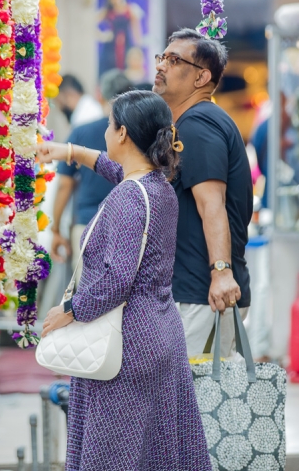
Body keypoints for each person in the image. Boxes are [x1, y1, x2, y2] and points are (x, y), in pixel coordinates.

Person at [38, 91, 211, 471]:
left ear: (122, 135)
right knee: (157, 452)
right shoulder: (157, 186)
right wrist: (69, 151)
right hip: (159, 332)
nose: (105, 130)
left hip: (128, 344)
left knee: (115, 454)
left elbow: (117, 279)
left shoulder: (130, 199)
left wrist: (67, 311)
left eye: (110, 124)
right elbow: (115, 170)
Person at [153, 28, 253, 357]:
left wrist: (221, 273)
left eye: (173, 59)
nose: (161, 66)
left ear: (201, 77)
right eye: (162, 57)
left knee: (196, 404)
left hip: (203, 295)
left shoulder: (199, 124)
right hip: (200, 292)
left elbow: (213, 204)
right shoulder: (193, 122)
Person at [51, 70, 135, 265]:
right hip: (129, 228)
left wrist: (56, 229)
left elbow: (65, 184)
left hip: (88, 225)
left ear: (99, 95)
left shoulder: (80, 132)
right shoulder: (138, 134)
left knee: (89, 293)